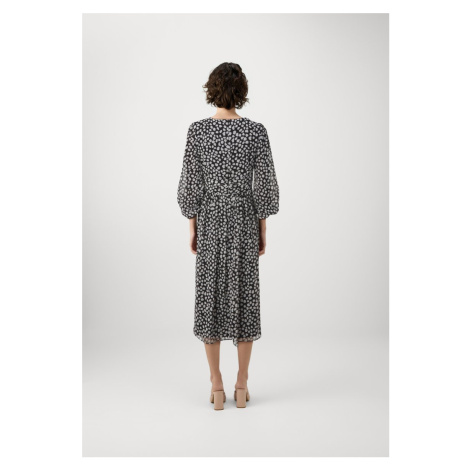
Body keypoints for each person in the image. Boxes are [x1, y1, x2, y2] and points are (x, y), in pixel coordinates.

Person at [177, 62, 280, 410]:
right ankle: (242, 383)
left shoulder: (198, 132)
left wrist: (193, 226)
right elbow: (264, 185)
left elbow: (190, 184)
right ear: (242, 92)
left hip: (210, 219)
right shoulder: (255, 132)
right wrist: (262, 228)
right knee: (244, 296)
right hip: (243, 219)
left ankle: (216, 385)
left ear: (212, 90)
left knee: (210, 295)